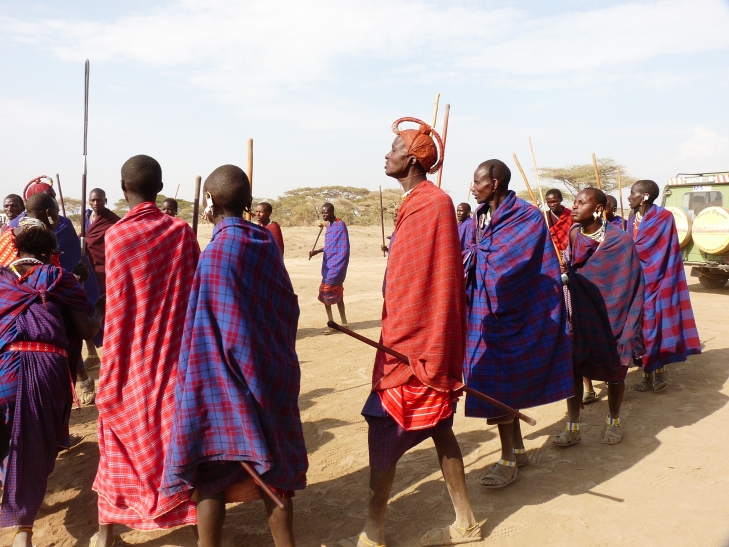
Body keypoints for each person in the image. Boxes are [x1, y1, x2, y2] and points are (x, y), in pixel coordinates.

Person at [336, 117, 481, 547]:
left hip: (415, 343)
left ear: (414, 159)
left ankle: (372, 533)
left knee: (383, 426)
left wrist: (402, 339)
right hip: (416, 339)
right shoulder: (419, 202)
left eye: (395, 149)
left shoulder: (432, 203)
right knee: (440, 427)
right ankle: (466, 522)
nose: (387, 155)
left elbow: (423, 283)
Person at [161, 165, 307, 547]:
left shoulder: (216, 254)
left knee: (210, 473)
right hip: (271, 373)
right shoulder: (265, 244)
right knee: (274, 474)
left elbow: (206, 333)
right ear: (247, 202)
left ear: (209, 202)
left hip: (223, 380)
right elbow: (287, 309)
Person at [91, 155, 200, 546]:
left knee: (116, 445)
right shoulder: (181, 232)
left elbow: (117, 307)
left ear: (124, 189)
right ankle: (196, 527)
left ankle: (105, 534)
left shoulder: (117, 236)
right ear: (160, 188)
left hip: (127, 362)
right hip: (173, 362)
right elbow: (195, 293)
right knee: (176, 443)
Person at [463, 160, 573, 488]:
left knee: (505, 383)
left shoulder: (527, 217)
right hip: (484, 312)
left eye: (477, 182)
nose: (472, 188)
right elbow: (471, 252)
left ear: (495, 183)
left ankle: (508, 461)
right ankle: (518, 450)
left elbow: (517, 264)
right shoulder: (478, 216)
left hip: (517, 311)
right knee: (493, 383)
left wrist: (478, 257)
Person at [0, 226, 103, 547]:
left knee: (8, 438)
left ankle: (12, 488)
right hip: (45, 371)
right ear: (49, 253)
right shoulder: (59, 278)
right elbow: (85, 330)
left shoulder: (2, 280)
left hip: (3, 369)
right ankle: (23, 531)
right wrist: (100, 306)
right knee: (35, 445)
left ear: (18, 250)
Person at [550, 188, 645, 447]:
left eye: (582, 203)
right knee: (574, 366)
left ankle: (613, 421)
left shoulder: (620, 240)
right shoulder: (574, 234)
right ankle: (572, 427)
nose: (575, 206)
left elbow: (631, 282)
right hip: (582, 314)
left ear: (599, 209)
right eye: (574, 202)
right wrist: (564, 275)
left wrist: (627, 321)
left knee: (615, 371)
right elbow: (576, 270)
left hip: (615, 315)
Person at [627, 180, 700, 392]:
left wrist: (630, 250)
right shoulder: (632, 217)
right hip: (636, 279)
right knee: (640, 326)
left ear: (645, 196)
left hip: (659, 277)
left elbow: (658, 249)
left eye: (632, 193)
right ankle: (646, 371)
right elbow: (630, 245)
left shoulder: (664, 217)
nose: (629, 197)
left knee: (656, 323)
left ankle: (659, 370)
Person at [83, 188, 121, 368]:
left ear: (105, 200)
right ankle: (92, 354)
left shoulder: (113, 221)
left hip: (106, 273)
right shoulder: (86, 218)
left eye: (99, 200)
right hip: (88, 273)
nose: (96, 203)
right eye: (93, 200)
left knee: (109, 312)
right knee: (86, 311)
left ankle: (113, 354)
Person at [309, 203, 350, 334]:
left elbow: (343, 248)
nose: (324, 215)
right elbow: (330, 246)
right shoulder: (329, 226)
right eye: (322, 213)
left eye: (326, 213)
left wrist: (339, 266)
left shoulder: (340, 225)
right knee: (337, 291)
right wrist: (316, 251)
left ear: (332, 212)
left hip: (337, 265)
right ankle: (344, 322)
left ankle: (331, 323)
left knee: (324, 290)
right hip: (328, 263)